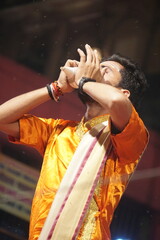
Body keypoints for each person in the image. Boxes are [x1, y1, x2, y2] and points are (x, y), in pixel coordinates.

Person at [0, 44, 149, 240]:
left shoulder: (130, 137)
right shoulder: (58, 131)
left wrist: (83, 80)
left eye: (105, 70)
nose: (94, 69)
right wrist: (56, 88)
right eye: (97, 66)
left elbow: (116, 103)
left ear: (124, 92)